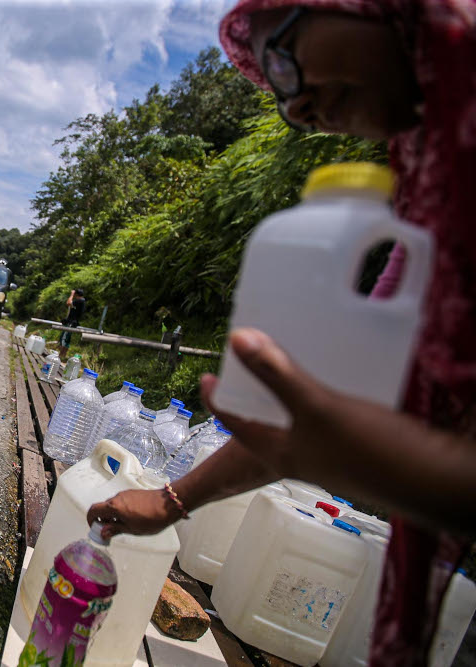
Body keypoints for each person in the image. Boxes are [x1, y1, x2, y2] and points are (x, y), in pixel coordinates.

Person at [88, 2, 476, 665]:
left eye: (281, 56)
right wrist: (171, 499)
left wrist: (384, 466)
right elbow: (313, 414)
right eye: (272, 85)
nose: (292, 107)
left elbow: (330, 439)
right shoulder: (430, 196)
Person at [58, 288, 86, 362]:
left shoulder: (80, 300)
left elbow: (68, 303)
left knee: (63, 339)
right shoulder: (81, 301)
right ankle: (62, 356)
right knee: (66, 339)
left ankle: (61, 356)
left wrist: (71, 294)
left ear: (76, 294)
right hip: (72, 322)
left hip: (71, 323)